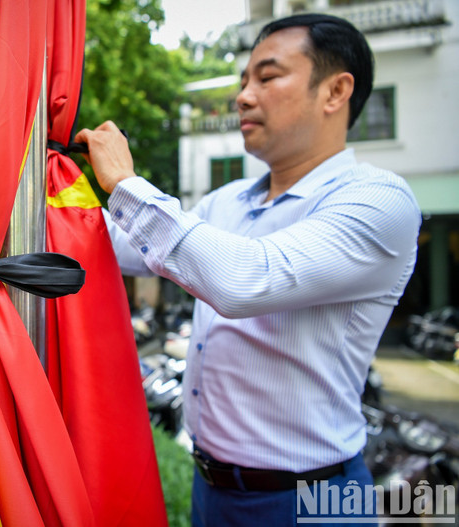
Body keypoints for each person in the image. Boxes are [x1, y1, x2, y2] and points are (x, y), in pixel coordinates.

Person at [75, 13, 421, 527]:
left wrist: (126, 182)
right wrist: (48, 195)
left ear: (335, 91)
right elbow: (125, 246)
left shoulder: (378, 201)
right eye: (242, 81)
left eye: (267, 76)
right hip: (211, 487)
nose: (242, 96)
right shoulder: (228, 200)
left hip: (312, 500)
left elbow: (243, 280)